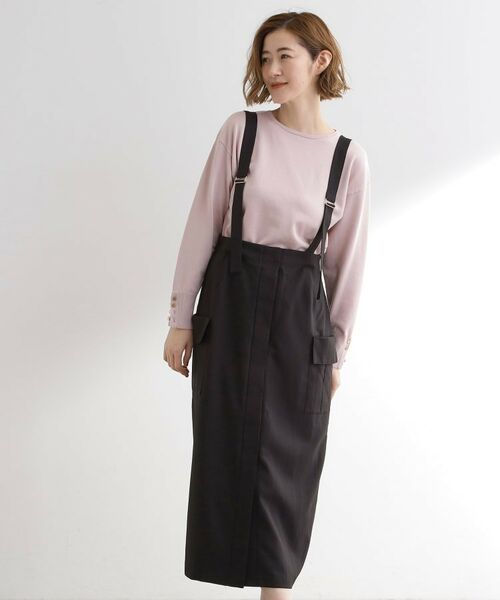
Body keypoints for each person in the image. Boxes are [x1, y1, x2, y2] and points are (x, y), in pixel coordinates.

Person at [163, 11, 370, 599]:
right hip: (229, 307)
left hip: (301, 322)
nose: (272, 69)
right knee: (225, 451)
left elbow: (346, 266)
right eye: (265, 57)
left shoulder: (347, 158)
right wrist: (180, 319)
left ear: (320, 61)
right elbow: (202, 225)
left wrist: (334, 354)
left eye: (285, 56)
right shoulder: (241, 131)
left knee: (288, 466)